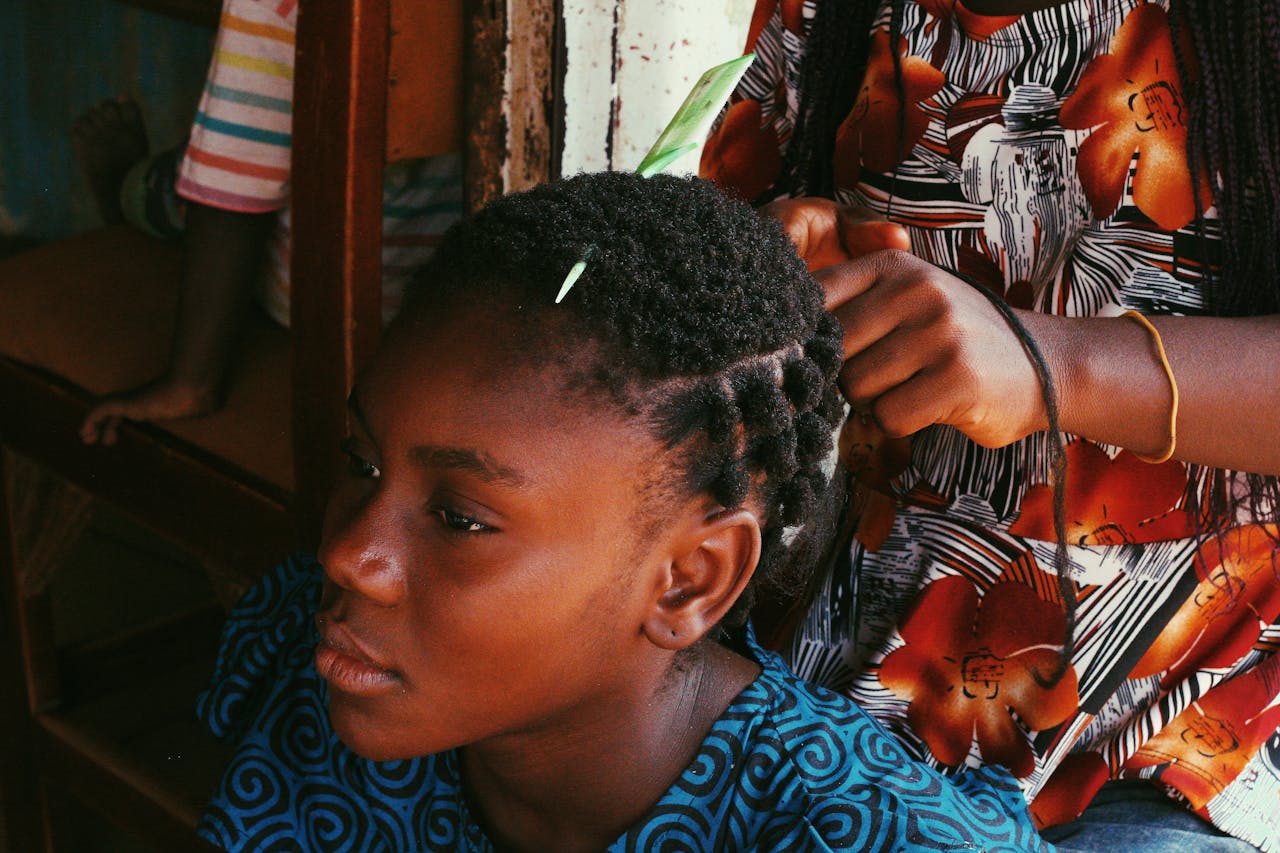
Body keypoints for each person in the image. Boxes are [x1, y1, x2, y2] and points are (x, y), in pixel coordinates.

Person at [193, 171, 1051, 852]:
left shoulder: (870, 836)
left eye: (459, 518)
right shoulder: (305, 674)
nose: (348, 555)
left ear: (689, 581)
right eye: (361, 461)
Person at [701, 0, 1280, 849]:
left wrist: (1053, 364)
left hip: (1187, 730)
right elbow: (698, 274)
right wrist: (780, 272)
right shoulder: (830, 14)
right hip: (846, 687)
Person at [72, 0, 463, 446]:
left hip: (328, 297)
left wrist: (190, 380)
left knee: (205, 171)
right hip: (448, 306)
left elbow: (236, 187)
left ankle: (130, 190)